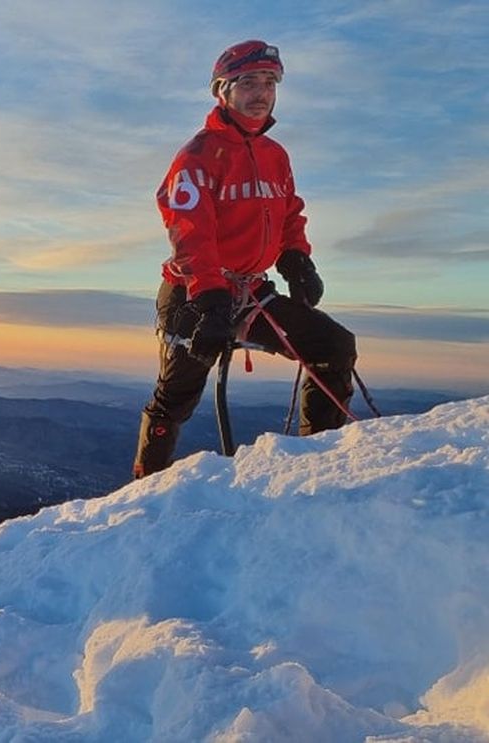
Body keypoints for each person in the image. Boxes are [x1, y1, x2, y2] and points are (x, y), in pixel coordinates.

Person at [134, 40, 357, 478]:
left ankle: (320, 464)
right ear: (223, 90)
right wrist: (209, 297)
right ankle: (141, 492)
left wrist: (296, 257)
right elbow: (188, 232)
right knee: (175, 397)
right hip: (193, 293)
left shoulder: (275, 155)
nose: (262, 92)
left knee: (333, 347)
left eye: (270, 82)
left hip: (249, 290)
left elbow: (289, 209)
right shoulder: (196, 156)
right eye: (249, 82)